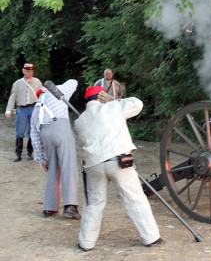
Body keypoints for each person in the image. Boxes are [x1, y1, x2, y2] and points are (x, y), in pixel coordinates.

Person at [74, 87, 163, 252]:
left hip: (94, 164)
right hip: (118, 161)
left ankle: (86, 242)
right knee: (134, 198)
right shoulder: (112, 107)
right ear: (101, 97)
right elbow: (137, 104)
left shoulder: (79, 121)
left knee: (93, 203)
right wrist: (114, 100)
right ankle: (151, 237)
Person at [30, 79, 81, 219]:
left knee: (53, 169)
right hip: (61, 129)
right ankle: (70, 207)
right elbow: (74, 82)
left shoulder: (36, 109)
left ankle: (49, 208)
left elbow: (34, 135)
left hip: (45, 135)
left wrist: (40, 159)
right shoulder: (57, 94)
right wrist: (57, 88)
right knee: (68, 168)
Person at [5, 63, 43, 162]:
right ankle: (18, 154)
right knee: (20, 131)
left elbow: (42, 95)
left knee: (32, 131)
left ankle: (29, 152)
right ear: (23, 71)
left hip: (33, 108)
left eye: (31, 71)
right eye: (27, 71)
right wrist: (8, 110)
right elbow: (12, 97)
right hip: (21, 109)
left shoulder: (37, 82)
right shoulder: (17, 83)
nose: (29, 72)